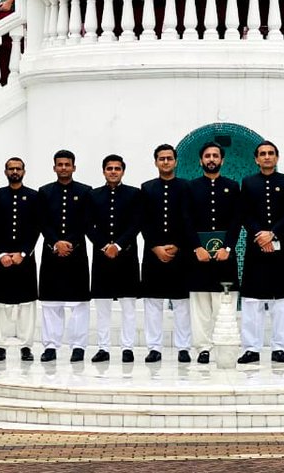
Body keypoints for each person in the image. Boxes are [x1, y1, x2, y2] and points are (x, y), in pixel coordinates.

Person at [238, 140, 284, 364]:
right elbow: (244, 214)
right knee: (252, 301)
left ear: (277, 157)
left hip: (281, 249)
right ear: (256, 159)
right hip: (256, 249)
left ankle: (279, 348)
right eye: (262, 154)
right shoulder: (248, 182)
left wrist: (272, 234)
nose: (266, 157)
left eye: (271, 153)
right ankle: (251, 349)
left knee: (281, 301)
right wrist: (260, 236)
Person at [184, 142, 242, 364]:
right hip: (198, 256)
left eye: (215, 156)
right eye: (207, 155)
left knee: (224, 304)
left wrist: (227, 248)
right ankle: (203, 348)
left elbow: (237, 220)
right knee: (200, 306)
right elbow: (186, 219)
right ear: (201, 160)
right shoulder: (191, 187)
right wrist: (196, 247)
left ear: (222, 160)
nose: (211, 159)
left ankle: (224, 346)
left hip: (224, 257)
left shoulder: (232, 186)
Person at [139, 144, 194, 363]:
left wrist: (178, 245)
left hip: (180, 253)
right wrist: (155, 247)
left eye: (169, 158)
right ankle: (154, 347)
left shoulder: (186, 187)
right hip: (153, 254)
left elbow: (189, 219)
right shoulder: (146, 188)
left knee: (181, 303)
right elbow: (143, 220)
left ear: (176, 161)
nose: (165, 162)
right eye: (161, 158)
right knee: (153, 302)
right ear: (156, 162)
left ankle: (184, 347)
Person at [37, 149, 93, 363]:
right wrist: (55, 243)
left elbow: (86, 222)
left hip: (76, 254)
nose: (63, 168)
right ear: (54, 167)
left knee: (79, 304)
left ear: (73, 167)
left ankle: (78, 346)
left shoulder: (85, 191)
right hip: (52, 254)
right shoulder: (44, 192)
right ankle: (51, 346)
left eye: (67, 164)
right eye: (59, 164)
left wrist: (69, 243)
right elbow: (42, 222)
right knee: (51, 304)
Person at [87, 154, 143, 363]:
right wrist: (105, 246)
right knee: (102, 307)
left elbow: (136, 223)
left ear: (123, 171)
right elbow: (88, 225)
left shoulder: (134, 194)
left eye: (117, 168)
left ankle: (127, 348)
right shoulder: (93, 195)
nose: (113, 172)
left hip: (126, 257)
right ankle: (103, 347)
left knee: (128, 307)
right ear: (103, 171)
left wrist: (118, 245)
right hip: (102, 258)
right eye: (109, 168)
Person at [0, 157, 41, 363]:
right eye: (11, 169)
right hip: (2, 259)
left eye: (18, 168)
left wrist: (24, 253)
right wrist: (1, 253)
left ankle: (26, 346)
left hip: (25, 259)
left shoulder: (34, 196)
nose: (14, 172)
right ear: (5, 172)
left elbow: (36, 228)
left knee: (26, 304)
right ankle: (0, 346)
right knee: (0, 304)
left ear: (24, 172)